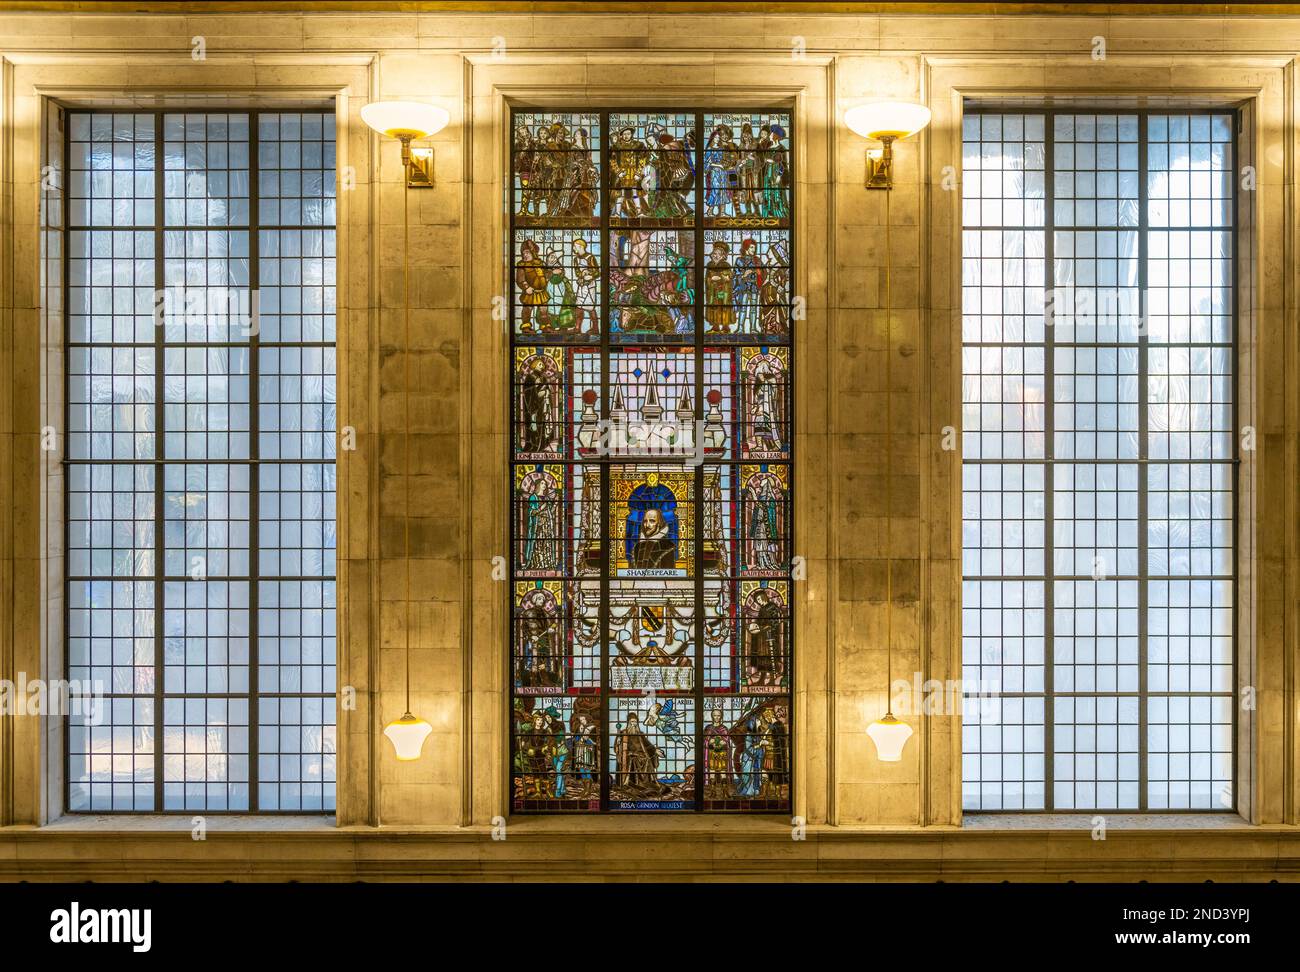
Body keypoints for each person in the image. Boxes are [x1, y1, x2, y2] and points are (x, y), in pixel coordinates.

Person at [613, 712, 665, 798]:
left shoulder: (640, 734)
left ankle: (647, 784)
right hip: (629, 756)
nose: (633, 724)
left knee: (647, 759)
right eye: (631, 722)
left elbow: (648, 745)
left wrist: (655, 750)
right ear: (628, 723)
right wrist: (618, 743)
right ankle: (634, 783)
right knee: (635, 760)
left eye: (635, 722)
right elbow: (617, 748)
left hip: (641, 755)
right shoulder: (623, 733)